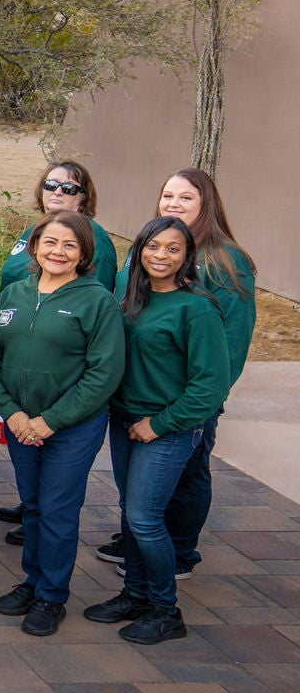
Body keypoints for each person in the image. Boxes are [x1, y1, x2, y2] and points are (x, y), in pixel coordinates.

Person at [84, 217, 229, 645]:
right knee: (132, 513)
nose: (160, 256)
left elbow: (210, 385)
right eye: (153, 247)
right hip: (125, 421)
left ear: (187, 257)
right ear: (140, 250)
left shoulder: (196, 308)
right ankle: (135, 595)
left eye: (172, 249)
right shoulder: (132, 298)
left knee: (146, 519)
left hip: (168, 428)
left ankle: (167, 611)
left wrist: (160, 424)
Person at [0, 213, 124, 637]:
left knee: (59, 511)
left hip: (71, 428)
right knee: (34, 508)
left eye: (69, 246)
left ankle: (51, 596)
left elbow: (104, 375)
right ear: (34, 245)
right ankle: (33, 581)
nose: (57, 252)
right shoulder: (14, 293)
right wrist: (14, 413)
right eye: (49, 242)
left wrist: (50, 421)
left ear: (83, 254)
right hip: (22, 424)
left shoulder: (96, 301)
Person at [118, 167, 256, 579]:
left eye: (185, 198)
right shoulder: (149, 247)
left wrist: (209, 399)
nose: (173, 203)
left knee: (188, 474)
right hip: (139, 393)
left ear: (207, 204)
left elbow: (232, 339)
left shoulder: (226, 262)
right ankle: (143, 544)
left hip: (188, 401)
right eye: (168, 196)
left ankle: (178, 551)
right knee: (145, 494)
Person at [2, 162, 118, 297]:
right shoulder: (35, 229)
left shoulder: (94, 237)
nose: (57, 192)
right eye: (50, 185)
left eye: (69, 188)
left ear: (83, 197)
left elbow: (96, 299)